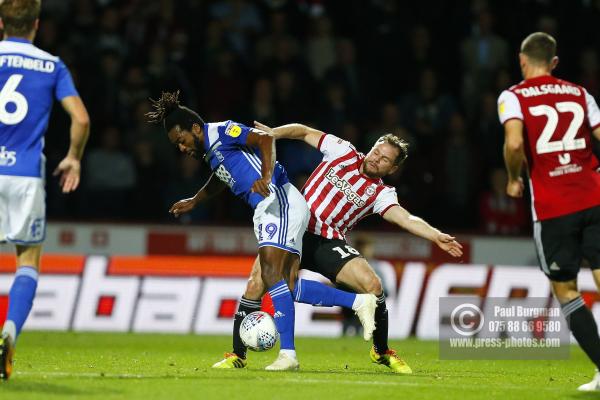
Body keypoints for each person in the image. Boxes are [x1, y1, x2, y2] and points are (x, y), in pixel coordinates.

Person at [147, 91, 377, 371]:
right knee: (268, 285)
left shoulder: (222, 131)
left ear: (195, 129)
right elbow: (222, 176)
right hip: (270, 207)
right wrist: (196, 199)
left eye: (181, 141)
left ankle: (288, 355)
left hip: (278, 199)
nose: (181, 148)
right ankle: (356, 302)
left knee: (270, 275)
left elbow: (264, 138)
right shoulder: (211, 152)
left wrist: (266, 175)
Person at [210, 121, 463, 372]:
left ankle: (381, 351)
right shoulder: (343, 151)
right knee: (256, 284)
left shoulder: (381, 193)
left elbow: (405, 218)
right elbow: (304, 131)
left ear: (393, 168)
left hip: (327, 241)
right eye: (377, 151)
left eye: (385, 159)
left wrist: (435, 235)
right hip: (292, 227)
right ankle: (237, 355)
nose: (376, 159)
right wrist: (273, 134)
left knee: (373, 285)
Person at [499, 32, 600, 392]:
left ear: (522, 60)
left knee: (567, 290)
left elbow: (513, 142)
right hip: (595, 196)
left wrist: (513, 178)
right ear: (554, 62)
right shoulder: (579, 93)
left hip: (554, 207)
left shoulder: (512, 96)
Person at [0, 0, 90, 380]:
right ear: (36, 24)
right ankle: (8, 333)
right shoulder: (51, 65)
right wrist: (73, 157)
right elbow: (81, 118)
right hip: (25, 176)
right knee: (27, 261)